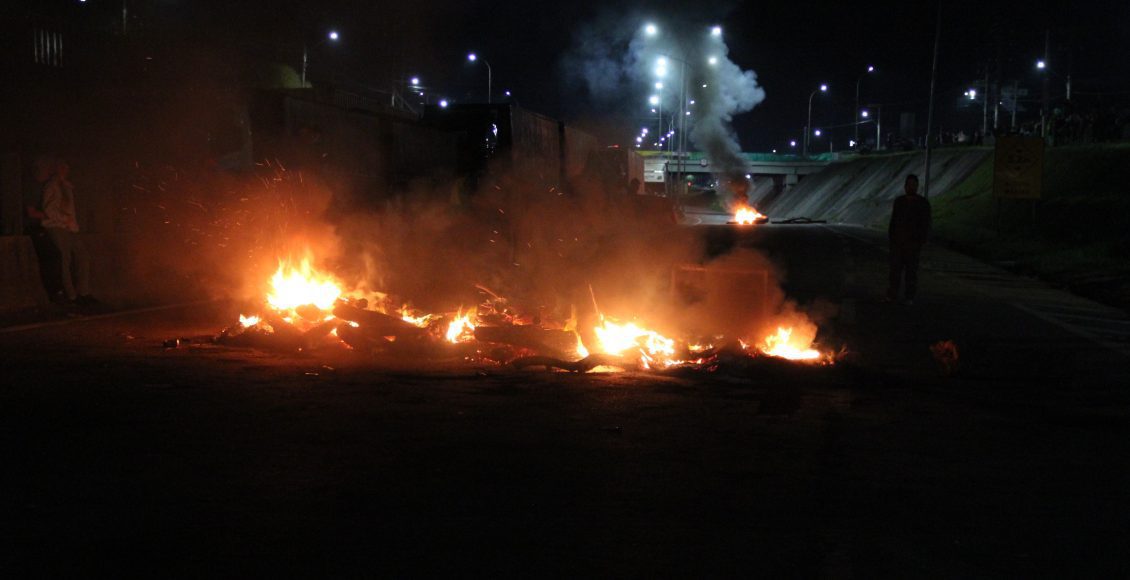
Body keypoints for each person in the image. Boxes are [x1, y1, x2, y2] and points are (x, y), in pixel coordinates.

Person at [41, 158, 96, 309]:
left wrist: (72, 223)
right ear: (56, 169)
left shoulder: (67, 186)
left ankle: (83, 293)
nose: (65, 170)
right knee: (65, 260)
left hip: (70, 228)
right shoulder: (51, 186)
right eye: (61, 168)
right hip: (57, 227)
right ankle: (71, 296)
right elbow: (49, 210)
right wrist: (65, 219)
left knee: (83, 256)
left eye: (66, 168)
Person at [886, 174, 931, 304]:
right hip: (898, 244)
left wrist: (922, 240)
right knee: (895, 271)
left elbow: (926, 222)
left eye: (914, 184)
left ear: (917, 186)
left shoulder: (922, 203)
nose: (911, 187)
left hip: (913, 245)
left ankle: (909, 296)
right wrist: (892, 239)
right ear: (905, 186)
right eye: (909, 184)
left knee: (911, 272)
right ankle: (892, 294)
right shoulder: (899, 202)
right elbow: (893, 221)